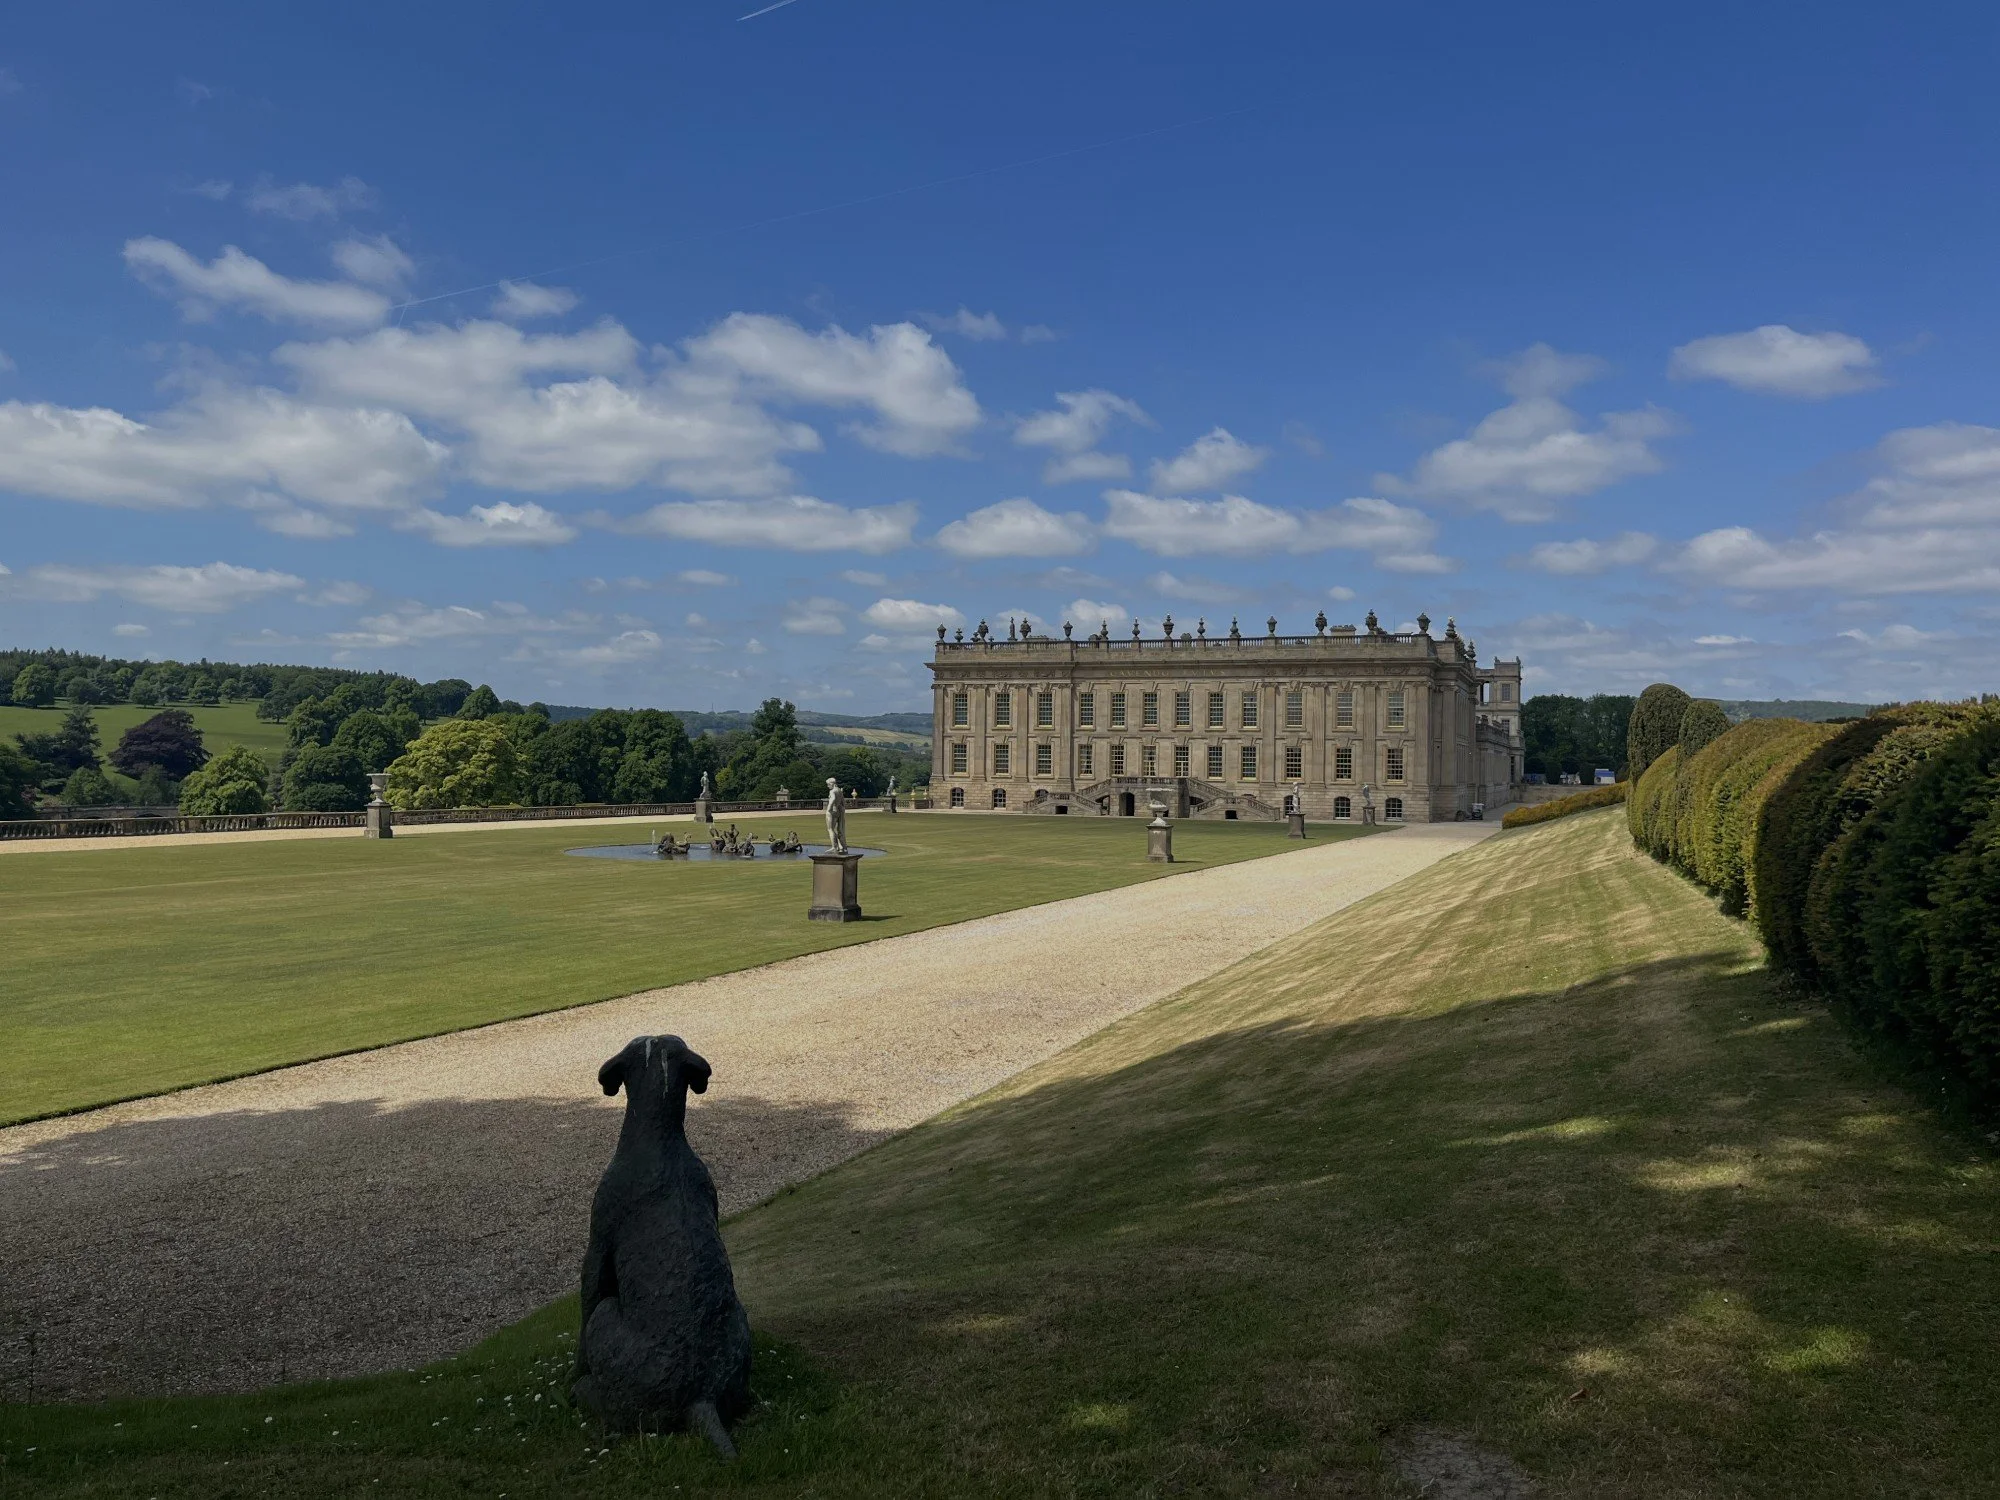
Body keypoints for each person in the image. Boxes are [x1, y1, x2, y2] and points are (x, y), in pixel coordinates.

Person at [824, 777, 848, 854]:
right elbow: (843, 802)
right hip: (838, 811)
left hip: (832, 812)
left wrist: (828, 809)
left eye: (828, 784)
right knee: (839, 829)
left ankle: (834, 847)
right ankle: (841, 846)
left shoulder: (832, 791)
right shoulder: (839, 791)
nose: (828, 786)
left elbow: (833, 799)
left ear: (832, 784)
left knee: (830, 829)